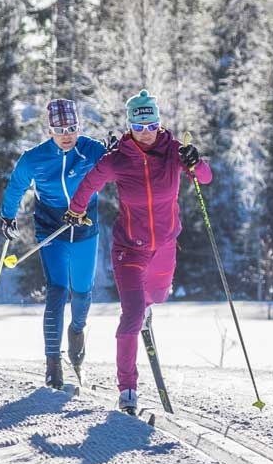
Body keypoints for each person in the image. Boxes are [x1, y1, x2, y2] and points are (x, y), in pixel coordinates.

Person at [65, 90, 211, 415]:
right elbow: (89, 183)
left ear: (159, 123)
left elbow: (205, 177)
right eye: (139, 125)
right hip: (129, 248)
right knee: (131, 315)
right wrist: (75, 211)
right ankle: (127, 389)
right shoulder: (118, 159)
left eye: (152, 124)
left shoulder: (174, 152)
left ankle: (146, 308)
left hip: (165, 246)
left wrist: (195, 161)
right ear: (129, 125)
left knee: (156, 296)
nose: (146, 132)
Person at [0, 98, 106, 390]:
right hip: (52, 229)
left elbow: (119, 161)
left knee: (82, 293)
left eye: (72, 127)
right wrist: (7, 217)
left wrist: (117, 146)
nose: (67, 134)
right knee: (57, 291)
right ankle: (52, 364)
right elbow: (16, 186)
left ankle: (77, 331)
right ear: (50, 130)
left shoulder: (90, 149)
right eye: (60, 129)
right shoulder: (34, 158)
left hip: (85, 228)